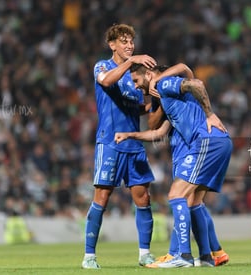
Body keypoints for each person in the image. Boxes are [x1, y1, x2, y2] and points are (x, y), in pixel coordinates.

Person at [115, 63, 233, 268]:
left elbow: (196, 82)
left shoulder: (163, 84)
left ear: (150, 74)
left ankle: (182, 256)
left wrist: (209, 114)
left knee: (177, 195)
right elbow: (157, 133)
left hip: (207, 141)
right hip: (216, 141)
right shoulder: (171, 102)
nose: (135, 86)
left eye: (136, 81)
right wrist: (129, 135)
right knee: (194, 201)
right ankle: (207, 257)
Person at [81, 23, 158, 269]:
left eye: (131, 41)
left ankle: (145, 254)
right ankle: (89, 256)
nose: (129, 45)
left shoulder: (132, 78)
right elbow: (105, 82)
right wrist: (131, 60)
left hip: (133, 142)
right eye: (124, 41)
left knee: (143, 197)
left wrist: (159, 102)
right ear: (112, 45)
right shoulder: (103, 66)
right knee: (102, 197)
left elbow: (137, 109)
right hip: (109, 142)